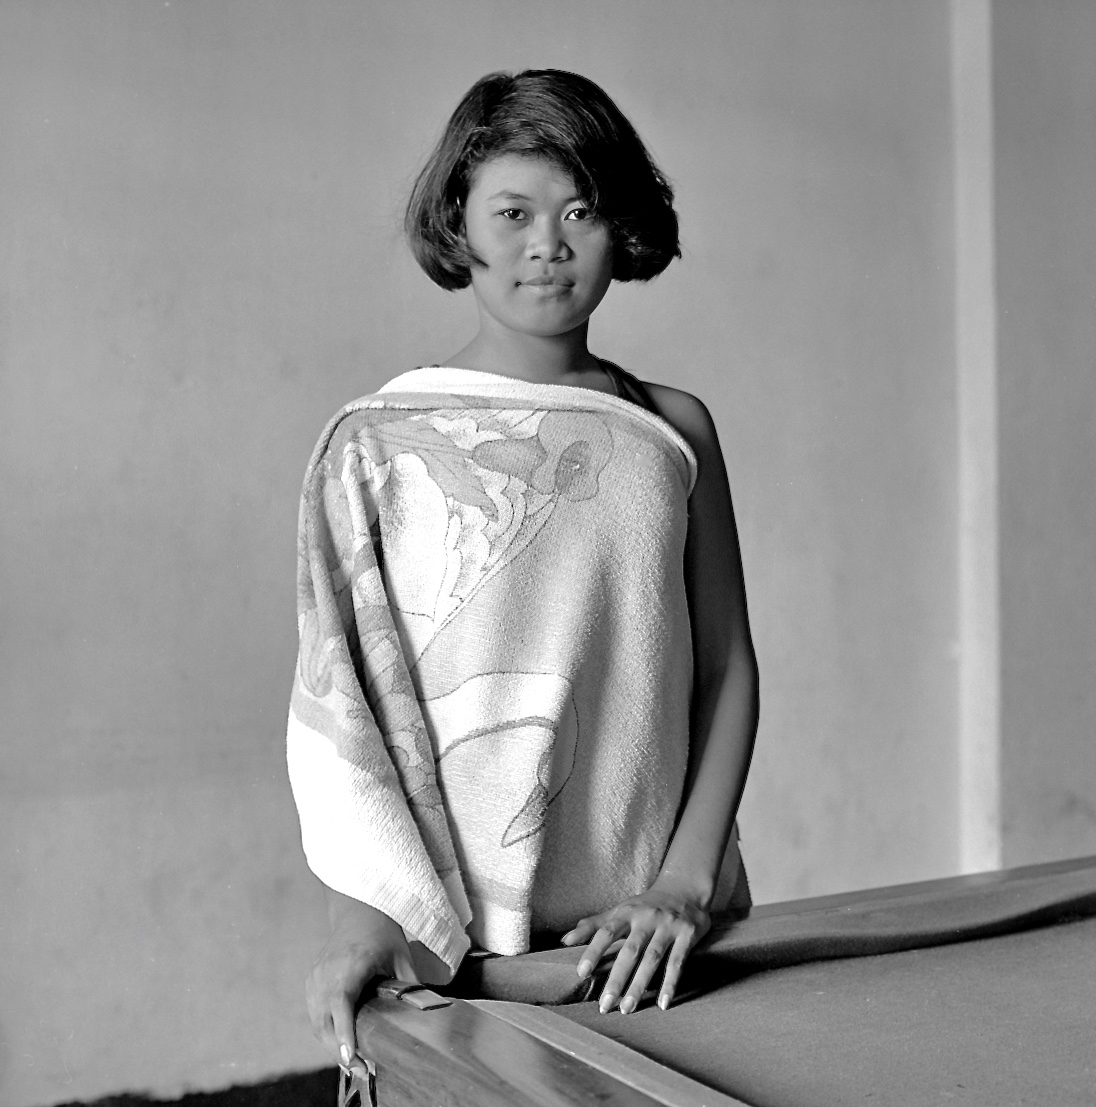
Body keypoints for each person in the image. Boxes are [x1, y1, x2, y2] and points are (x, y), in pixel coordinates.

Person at [288, 69, 759, 1079]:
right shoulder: (376, 443)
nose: (547, 242)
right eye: (513, 212)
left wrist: (681, 887)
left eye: (580, 211)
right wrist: (363, 919)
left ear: (620, 227)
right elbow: (350, 709)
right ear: (458, 223)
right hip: (465, 956)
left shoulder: (672, 430)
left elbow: (725, 669)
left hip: (648, 941)